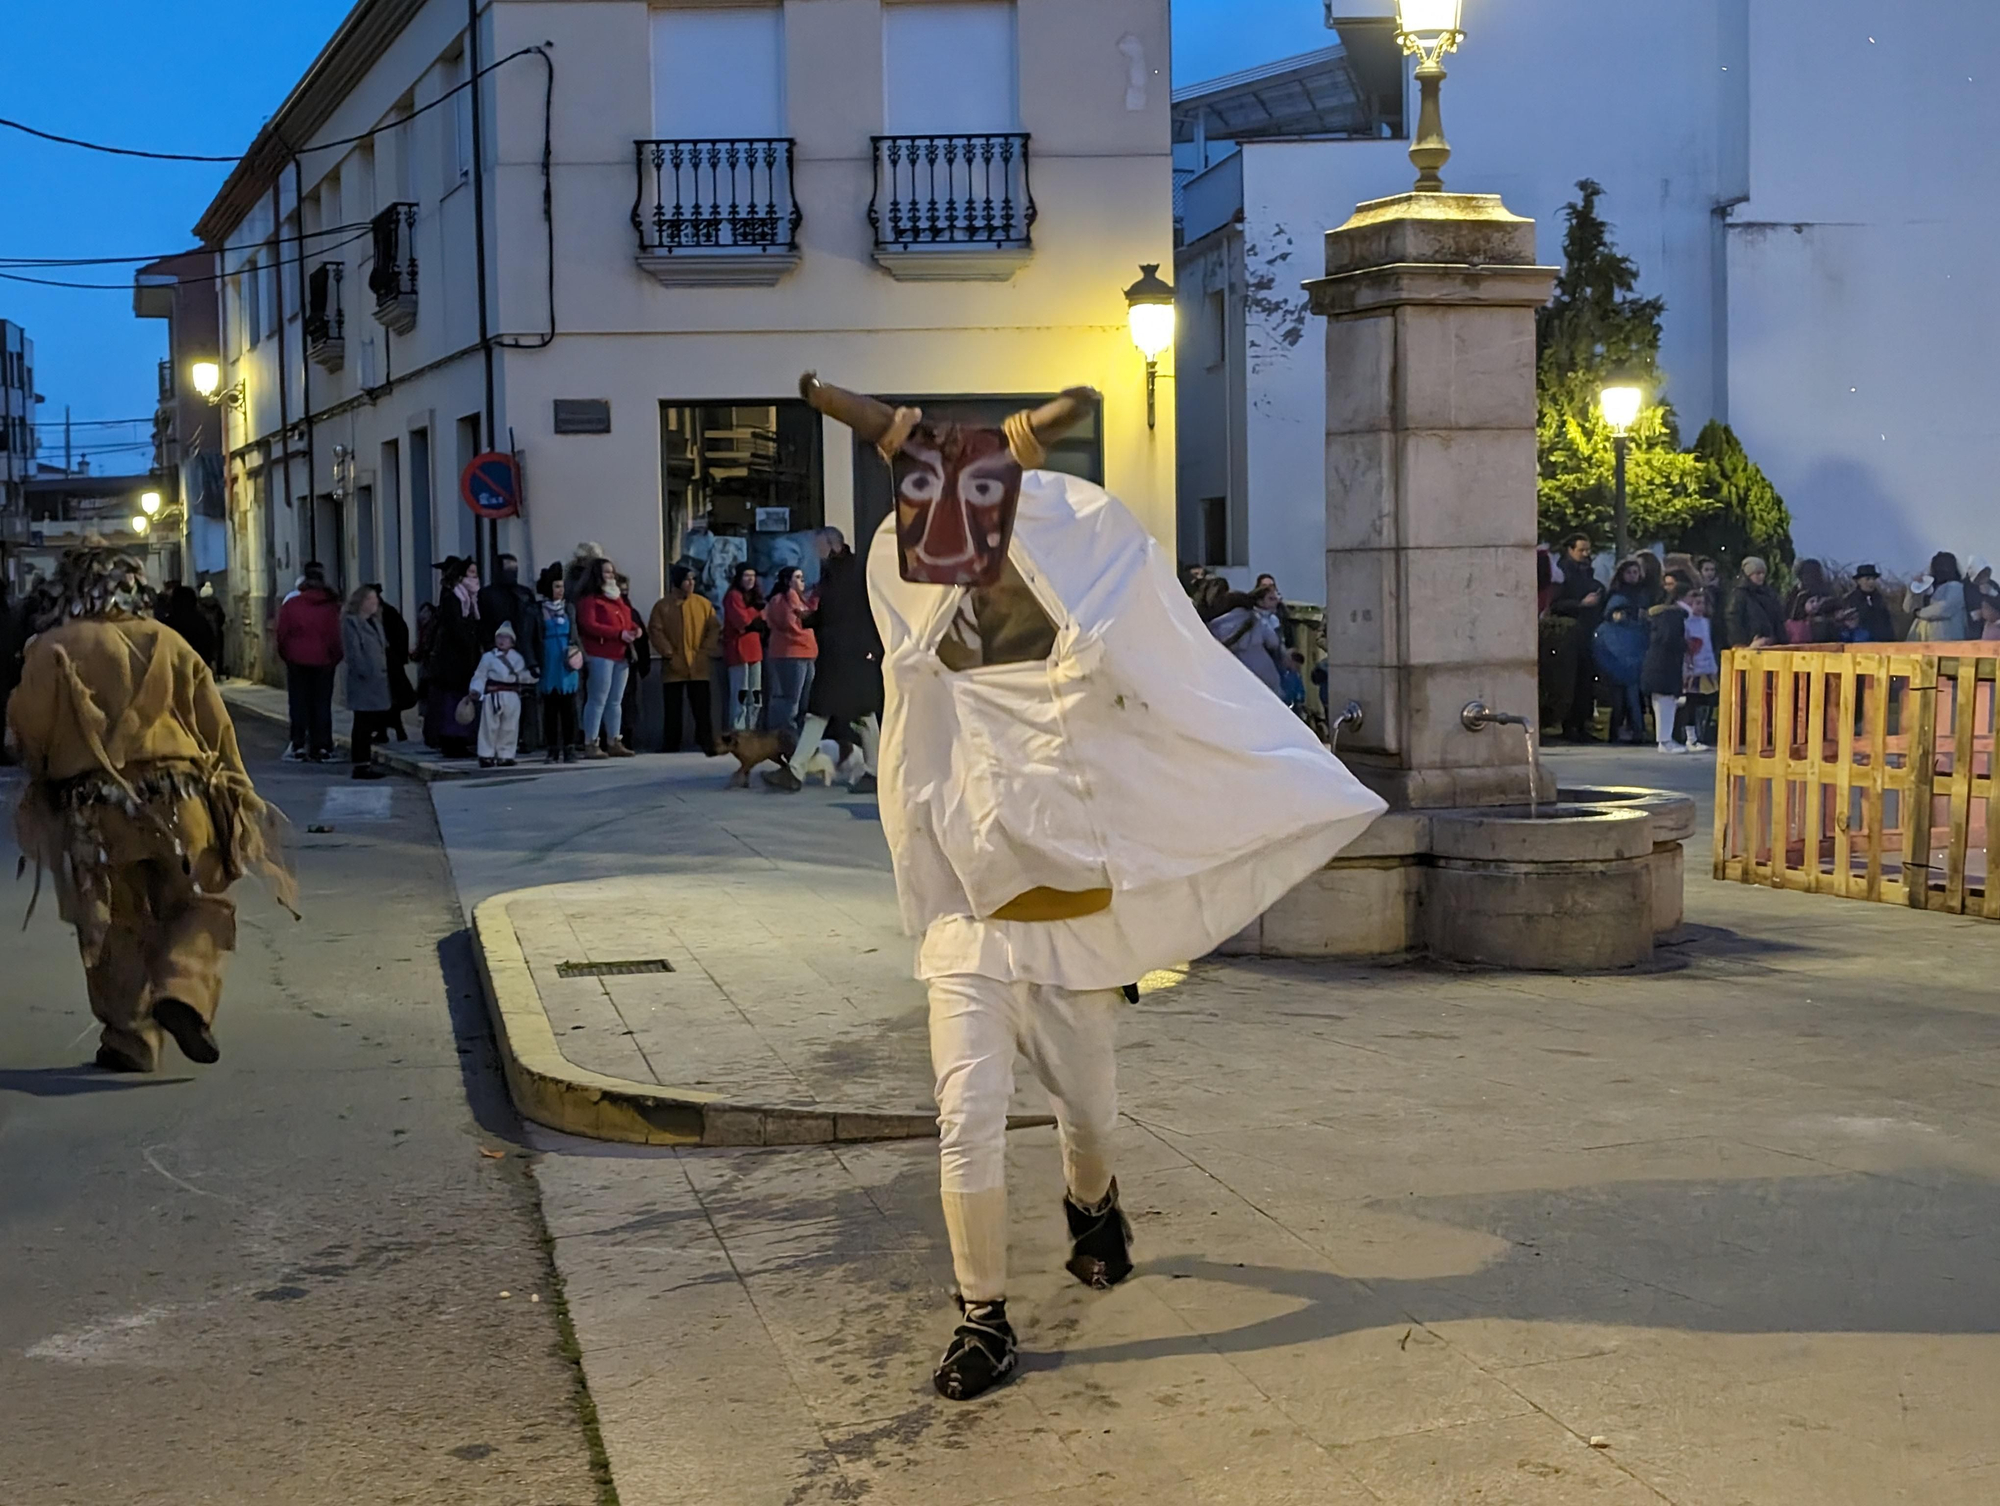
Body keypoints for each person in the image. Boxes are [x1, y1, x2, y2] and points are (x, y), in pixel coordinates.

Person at [799, 373, 1385, 1402]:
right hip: (968, 923)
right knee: (965, 1108)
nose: (961, 582)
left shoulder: (1089, 654)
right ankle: (982, 1315)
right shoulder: (921, 659)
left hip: (1068, 920)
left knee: (1089, 1111)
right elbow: (910, 766)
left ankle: (1093, 1200)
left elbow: (1165, 708)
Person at [8, 546, 295, 1073]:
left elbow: (29, 734)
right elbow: (216, 729)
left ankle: (131, 1037)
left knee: (114, 919)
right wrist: (239, 797)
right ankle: (184, 990)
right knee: (196, 902)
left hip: (97, 812)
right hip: (181, 802)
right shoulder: (170, 641)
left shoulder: (51, 648)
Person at [763, 528, 884, 793]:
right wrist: (812, 619)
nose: (816, 553)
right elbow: (835, 614)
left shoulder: (853, 573)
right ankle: (801, 769)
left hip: (849, 653)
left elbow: (864, 612)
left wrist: (872, 647)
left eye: (819, 547)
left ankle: (798, 771)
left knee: (840, 713)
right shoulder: (840, 573)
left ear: (832, 545)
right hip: (843, 653)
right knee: (848, 714)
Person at [274, 561, 343, 762]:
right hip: (324, 661)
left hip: (296, 660)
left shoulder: (292, 605)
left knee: (298, 703)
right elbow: (335, 636)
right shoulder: (330, 607)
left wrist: (286, 655)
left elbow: (282, 634)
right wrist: (334, 658)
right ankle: (322, 746)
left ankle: (298, 744)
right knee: (322, 704)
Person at [648, 564, 720, 756]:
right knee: (673, 707)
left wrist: (705, 651)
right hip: (674, 664)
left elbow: (713, 628)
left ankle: (706, 741)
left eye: (693, 580)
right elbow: (656, 631)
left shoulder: (703, 604)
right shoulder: (663, 606)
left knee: (702, 707)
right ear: (678, 582)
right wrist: (668, 653)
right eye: (687, 579)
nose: (691, 583)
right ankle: (671, 742)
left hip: (698, 663)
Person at [575, 556, 640, 758]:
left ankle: (614, 740)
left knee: (615, 701)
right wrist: (617, 633)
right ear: (597, 575)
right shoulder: (590, 600)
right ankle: (591, 742)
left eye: (612, 571)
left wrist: (635, 630)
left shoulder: (617, 598)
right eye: (606, 572)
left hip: (620, 654)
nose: (611, 575)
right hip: (600, 654)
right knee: (597, 699)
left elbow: (628, 619)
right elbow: (589, 625)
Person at [478, 552, 542, 752]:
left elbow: (533, 624)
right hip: (497, 652)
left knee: (525, 700)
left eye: (514, 569)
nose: (512, 574)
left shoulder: (523, 593)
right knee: (496, 707)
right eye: (507, 569)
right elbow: (484, 624)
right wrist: (490, 648)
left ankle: (526, 739)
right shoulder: (487, 594)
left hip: (523, 652)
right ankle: (495, 746)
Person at [1549, 532, 1605, 741]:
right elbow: (1555, 604)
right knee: (1572, 681)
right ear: (1570, 550)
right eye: (1581, 550)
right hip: (1570, 631)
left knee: (1586, 680)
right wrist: (1581, 604)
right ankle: (1569, 725)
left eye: (1587, 550)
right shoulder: (1563, 573)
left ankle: (1582, 724)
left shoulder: (1586, 571)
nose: (1585, 554)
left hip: (1587, 629)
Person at [424, 557, 482, 758]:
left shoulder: (469, 599)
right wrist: (469, 646)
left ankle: (459, 739)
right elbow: (456, 628)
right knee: (453, 700)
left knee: (460, 699)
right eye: (471, 573)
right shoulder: (453, 597)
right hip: (453, 660)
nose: (475, 578)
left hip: (462, 658)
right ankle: (452, 741)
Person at [1594, 557, 1653, 744]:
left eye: (1636, 572)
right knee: (1618, 699)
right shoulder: (1615, 595)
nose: (1633, 576)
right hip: (1618, 654)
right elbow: (1611, 621)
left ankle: (1636, 730)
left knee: (1633, 697)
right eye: (1629, 572)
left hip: (1634, 653)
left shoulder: (1644, 595)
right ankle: (1617, 731)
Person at [340, 584, 394, 780]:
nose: (375, 603)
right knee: (363, 723)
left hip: (378, 679)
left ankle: (366, 762)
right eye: (371, 599)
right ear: (361, 602)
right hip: (364, 680)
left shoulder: (375, 622)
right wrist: (365, 671)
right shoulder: (351, 623)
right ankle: (361, 765)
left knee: (372, 721)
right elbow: (353, 652)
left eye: (375, 600)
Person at [1206, 586, 1292, 696]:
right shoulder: (1255, 619)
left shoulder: (1214, 627)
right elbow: (1273, 642)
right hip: (1263, 673)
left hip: (1233, 676)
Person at [764, 564, 818, 735]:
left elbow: (812, 617)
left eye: (802, 577)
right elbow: (789, 623)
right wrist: (794, 599)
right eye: (797, 577)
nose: (802, 581)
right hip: (789, 653)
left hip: (807, 652)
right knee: (791, 698)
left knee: (804, 700)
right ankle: (785, 734)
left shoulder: (802, 599)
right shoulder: (780, 599)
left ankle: (800, 734)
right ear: (787, 580)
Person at [536, 564, 582, 763]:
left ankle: (570, 747)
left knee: (569, 707)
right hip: (548, 659)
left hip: (567, 660)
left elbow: (576, 633)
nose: (560, 590)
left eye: (562, 586)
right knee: (550, 708)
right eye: (556, 586)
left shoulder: (569, 608)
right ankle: (552, 747)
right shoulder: (538, 610)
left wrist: (580, 656)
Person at [470, 620, 530, 767]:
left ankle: (506, 755)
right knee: (489, 726)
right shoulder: (488, 658)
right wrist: (476, 689)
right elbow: (480, 675)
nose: (502, 640)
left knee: (510, 727)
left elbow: (523, 676)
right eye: (500, 637)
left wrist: (532, 677)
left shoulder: (518, 658)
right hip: (493, 695)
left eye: (506, 638)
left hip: (512, 696)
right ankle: (486, 755)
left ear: (512, 641)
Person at [1642, 576, 1691, 753]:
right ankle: (1665, 740)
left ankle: (1665, 739)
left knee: (1665, 702)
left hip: (1660, 664)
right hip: (1664, 666)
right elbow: (1669, 639)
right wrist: (1685, 645)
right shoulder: (1673, 616)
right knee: (1665, 703)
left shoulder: (1664, 615)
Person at [722, 563, 767, 732]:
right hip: (738, 650)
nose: (750, 579)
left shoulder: (755, 596)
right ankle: (738, 730)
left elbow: (763, 621)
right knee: (740, 694)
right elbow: (743, 622)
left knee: (755, 695)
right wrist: (757, 614)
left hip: (755, 650)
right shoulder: (733, 596)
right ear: (739, 578)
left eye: (753, 576)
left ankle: (752, 728)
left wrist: (756, 617)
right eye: (747, 575)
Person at [1681, 587, 1720, 748]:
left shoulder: (1706, 622)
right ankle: (1690, 738)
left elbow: (1708, 646)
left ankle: (1700, 734)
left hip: (1706, 668)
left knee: (1703, 702)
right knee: (1691, 702)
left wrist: (1712, 666)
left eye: (1702, 603)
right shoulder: (1686, 623)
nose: (1700, 606)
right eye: (1696, 603)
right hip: (1691, 669)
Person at [1906, 552, 1970, 642]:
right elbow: (1908, 608)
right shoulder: (1929, 586)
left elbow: (1945, 608)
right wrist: (1913, 589)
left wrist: (1919, 613)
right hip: (1924, 637)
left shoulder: (1956, 587)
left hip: (1946, 636)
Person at [1725, 557, 1784, 649]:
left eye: (1763, 573)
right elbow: (1733, 620)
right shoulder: (1739, 595)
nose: (1761, 576)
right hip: (1750, 645)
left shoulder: (1769, 594)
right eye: (1757, 573)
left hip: (1770, 644)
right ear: (1749, 574)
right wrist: (1742, 643)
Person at [160, 583, 218, 668]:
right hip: (198, 669)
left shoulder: (167, 625)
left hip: (175, 672)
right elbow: (210, 646)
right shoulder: (202, 622)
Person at [1784, 559, 1839, 644]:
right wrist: (1805, 609)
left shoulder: (1827, 591)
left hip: (1824, 635)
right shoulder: (1799, 594)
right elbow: (1790, 615)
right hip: (1808, 637)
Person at [1843, 565, 1895, 644]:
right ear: (1858, 581)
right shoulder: (1850, 599)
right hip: (1860, 644)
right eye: (1867, 579)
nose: (1871, 582)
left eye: (1873, 579)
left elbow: (1887, 622)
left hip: (1882, 643)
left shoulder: (1880, 598)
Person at [197, 581, 228, 674]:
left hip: (202, 632)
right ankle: (218, 670)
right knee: (216, 651)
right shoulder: (216, 604)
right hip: (215, 631)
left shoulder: (199, 605)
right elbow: (222, 616)